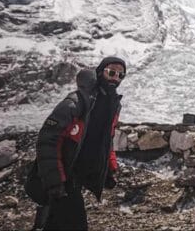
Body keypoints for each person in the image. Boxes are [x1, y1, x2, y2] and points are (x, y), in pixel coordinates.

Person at [33, 56, 126, 230]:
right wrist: (55, 181)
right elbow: (48, 140)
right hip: (64, 175)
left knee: (55, 223)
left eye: (120, 76)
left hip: (76, 176)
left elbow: (106, 139)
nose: (115, 78)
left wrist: (109, 169)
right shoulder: (76, 102)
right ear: (100, 72)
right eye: (111, 72)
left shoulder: (111, 105)